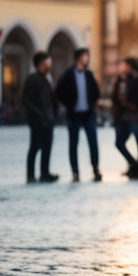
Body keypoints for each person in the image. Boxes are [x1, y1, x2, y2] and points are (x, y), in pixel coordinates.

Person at [54, 47, 102, 183]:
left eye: (87, 57)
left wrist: (94, 104)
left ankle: (96, 169)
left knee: (93, 142)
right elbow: (59, 92)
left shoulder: (88, 74)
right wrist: (68, 106)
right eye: (83, 57)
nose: (86, 60)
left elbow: (96, 92)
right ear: (77, 59)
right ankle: (75, 172)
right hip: (74, 115)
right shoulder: (68, 75)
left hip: (88, 115)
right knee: (73, 144)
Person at [21, 51, 59, 183]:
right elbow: (27, 101)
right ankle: (31, 175)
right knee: (35, 147)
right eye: (45, 64)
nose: (48, 67)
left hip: (48, 120)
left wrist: (53, 114)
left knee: (47, 147)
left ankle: (45, 173)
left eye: (49, 64)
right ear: (38, 65)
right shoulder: (32, 79)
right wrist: (39, 115)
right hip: (38, 121)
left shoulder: (46, 80)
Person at [112, 56, 138, 179]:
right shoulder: (122, 80)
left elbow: (136, 100)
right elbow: (115, 97)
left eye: (126, 66)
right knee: (119, 143)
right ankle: (135, 165)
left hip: (135, 118)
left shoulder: (137, 80)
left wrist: (126, 103)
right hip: (123, 118)